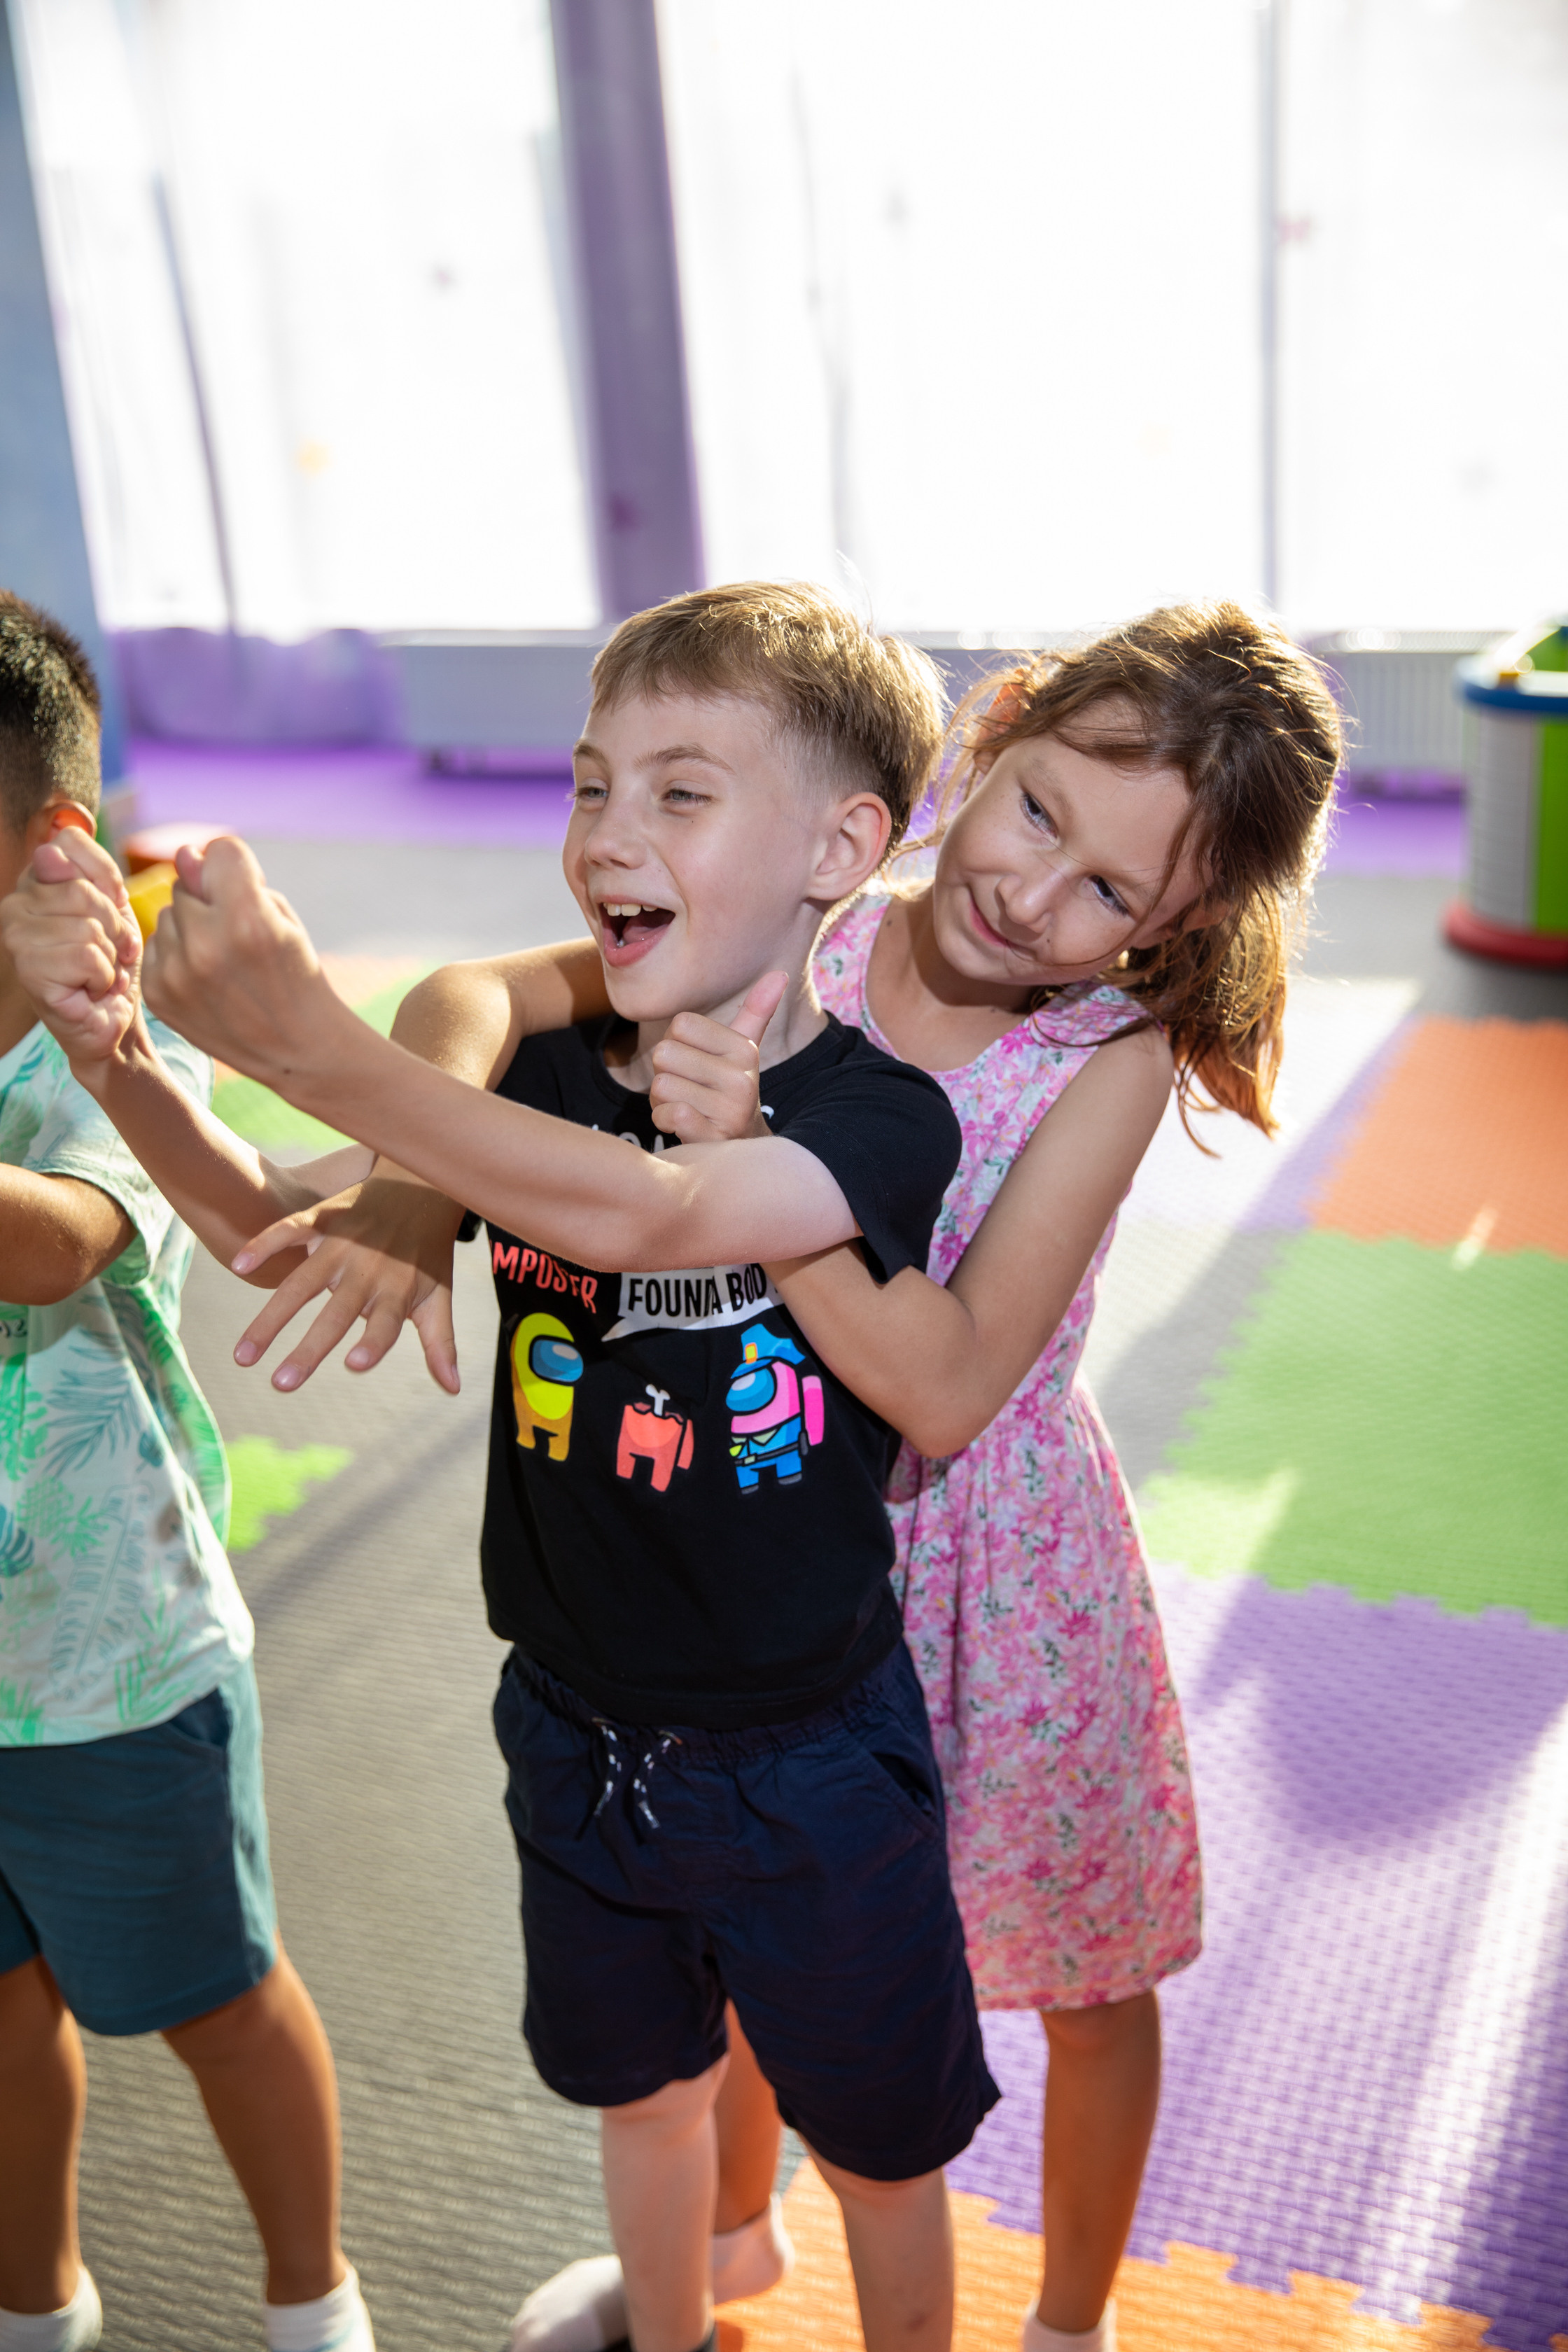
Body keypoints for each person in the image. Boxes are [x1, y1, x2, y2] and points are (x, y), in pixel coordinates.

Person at [216, 597, 1342, 2352]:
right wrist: (405, 1184)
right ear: (990, 741)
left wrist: (757, 1166)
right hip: (775, 1514)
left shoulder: (1104, 1062)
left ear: (1173, 933)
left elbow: (952, 1383)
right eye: (1036, 809)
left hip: (992, 1552)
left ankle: (1067, 2322)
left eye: (1112, 893)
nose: (1036, 898)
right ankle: (729, 2244)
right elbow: (480, 994)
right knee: (755, 1936)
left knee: (1085, 1967)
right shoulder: (812, 904)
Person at [2, 584, 1004, 2352]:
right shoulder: (533, 1072)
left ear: (845, 844)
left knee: (881, 2148)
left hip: (807, 1754)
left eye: (677, 794)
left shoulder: (876, 1117)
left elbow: (674, 1206)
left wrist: (332, 1051)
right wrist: (120, 1060)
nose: (605, 836)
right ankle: (672, 2329)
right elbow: (253, 1224)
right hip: (571, 1724)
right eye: (588, 786)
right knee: (639, 2097)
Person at [0, 594, 376, 2352]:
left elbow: (54, 1252)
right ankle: (39, 2305)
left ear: (50, 848)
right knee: (4, 2017)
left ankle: (314, 2302)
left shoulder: (90, 1060)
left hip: (114, 1667)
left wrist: (112, 1027)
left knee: (216, 2004)